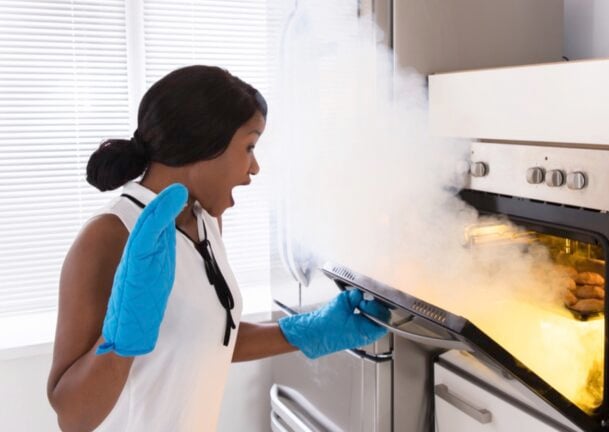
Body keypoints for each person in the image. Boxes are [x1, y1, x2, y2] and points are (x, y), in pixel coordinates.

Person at [46, 65, 390, 432]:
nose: (254, 167)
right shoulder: (110, 236)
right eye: (249, 146)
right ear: (204, 146)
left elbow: (209, 336)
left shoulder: (204, 221)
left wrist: (311, 330)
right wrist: (121, 341)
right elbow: (73, 417)